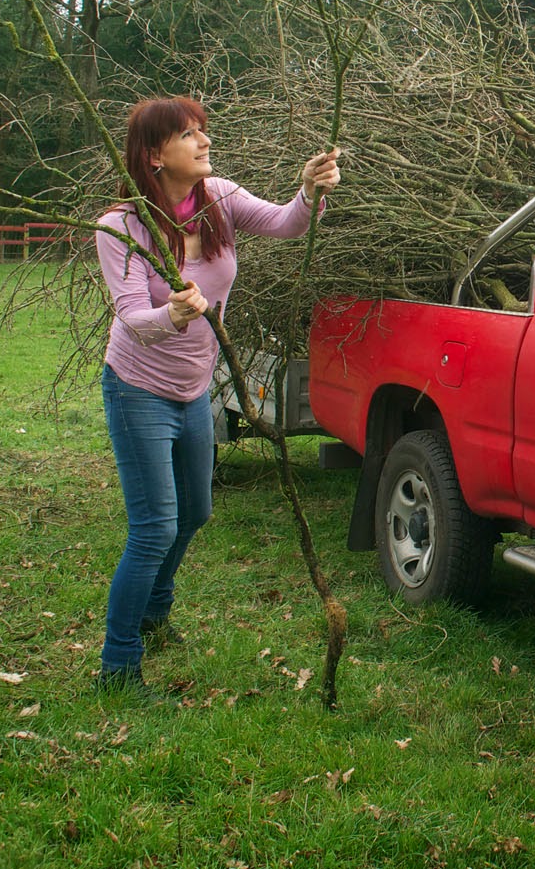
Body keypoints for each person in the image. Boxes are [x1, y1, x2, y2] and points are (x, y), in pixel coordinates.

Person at [94, 97, 340, 695]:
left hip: (194, 388)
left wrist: (308, 191)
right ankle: (118, 664)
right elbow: (130, 317)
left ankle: (154, 613)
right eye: (188, 134)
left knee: (196, 513)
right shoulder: (121, 226)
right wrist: (173, 313)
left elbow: (285, 223)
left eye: (202, 130)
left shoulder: (221, 201)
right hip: (138, 389)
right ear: (155, 155)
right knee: (154, 526)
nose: (204, 141)